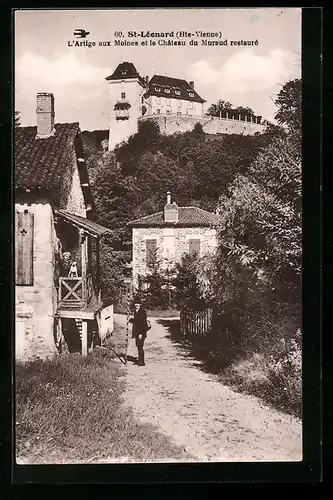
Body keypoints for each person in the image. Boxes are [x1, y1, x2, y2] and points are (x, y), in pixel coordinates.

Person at [129, 299, 149, 366]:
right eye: (135, 304)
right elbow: (136, 321)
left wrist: (141, 333)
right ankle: (140, 360)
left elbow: (141, 322)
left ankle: (142, 362)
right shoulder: (136, 311)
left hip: (141, 332)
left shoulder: (142, 311)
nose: (136, 305)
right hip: (137, 332)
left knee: (140, 346)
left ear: (140, 304)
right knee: (138, 346)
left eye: (138, 304)